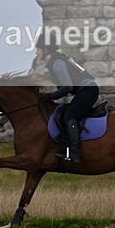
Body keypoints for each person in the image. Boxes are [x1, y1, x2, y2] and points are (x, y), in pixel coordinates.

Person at [35, 35, 99, 164]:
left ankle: (74, 153)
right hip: (86, 90)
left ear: (46, 50)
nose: (36, 52)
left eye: (38, 49)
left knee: (68, 116)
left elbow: (68, 87)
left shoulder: (57, 64)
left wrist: (50, 96)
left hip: (88, 90)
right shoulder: (56, 62)